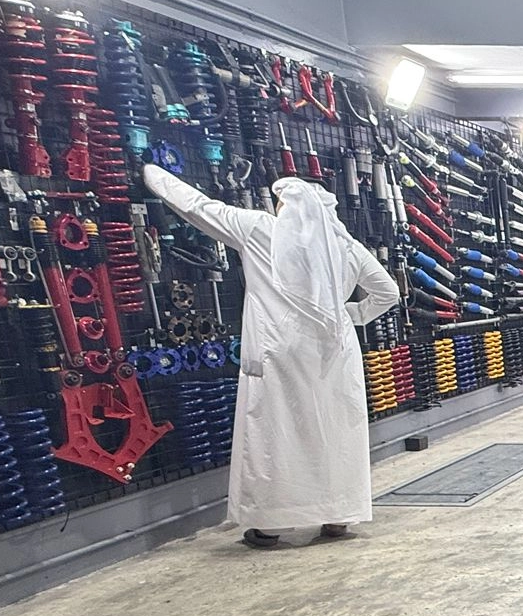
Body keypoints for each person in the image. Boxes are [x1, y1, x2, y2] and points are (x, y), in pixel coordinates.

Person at [143, 164, 401, 548]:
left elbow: (198, 207)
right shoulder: (345, 245)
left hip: (278, 349)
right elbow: (388, 293)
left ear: (286, 206)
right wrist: (352, 314)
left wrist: (152, 174)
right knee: (334, 430)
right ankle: (337, 515)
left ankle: (269, 524)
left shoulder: (259, 229)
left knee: (276, 433)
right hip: (335, 352)